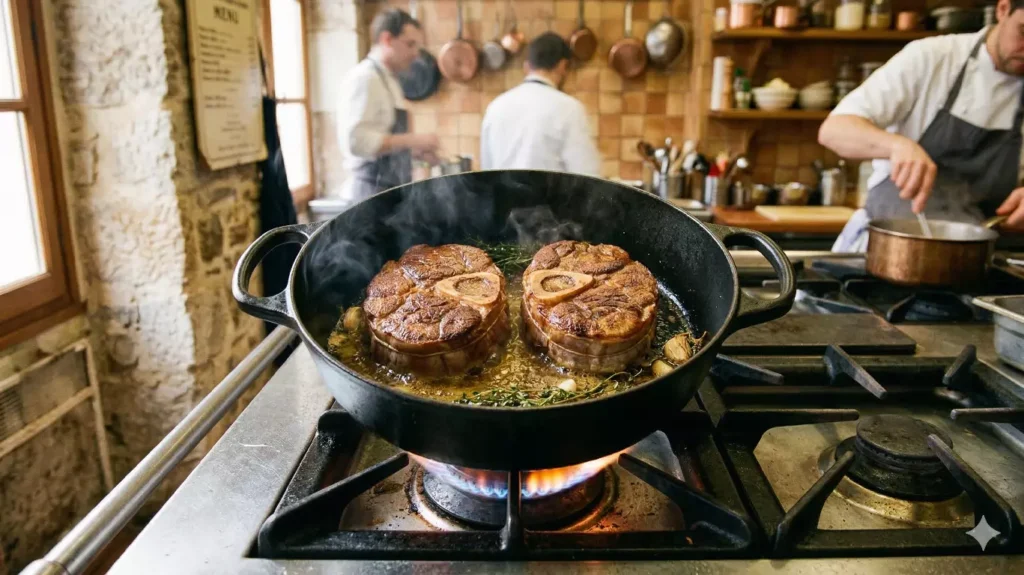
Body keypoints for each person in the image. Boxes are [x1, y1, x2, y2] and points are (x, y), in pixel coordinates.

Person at [819, 0, 1024, 252]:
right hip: (892, 248)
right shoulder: (933, 58)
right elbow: (834, 130)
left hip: (978, 255)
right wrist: (897, 146)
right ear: (1003, 10)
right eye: (1023, 32)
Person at [337, 9, 439, 203]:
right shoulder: (365, 79)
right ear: (387, 40)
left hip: (390, 191)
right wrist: (412, 140)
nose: (416, 54)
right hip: (369, 194)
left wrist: (417, 152)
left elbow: (384, 140)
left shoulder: (388, 80)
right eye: (410, 44)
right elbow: (356, 142)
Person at [480, 32, 600, 176]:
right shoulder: (569, 109)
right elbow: (587, 175)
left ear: (527, 66)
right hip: (550, 198)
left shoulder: (496, 107)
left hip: (502, 198)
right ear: (562, 65)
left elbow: (486, 171)